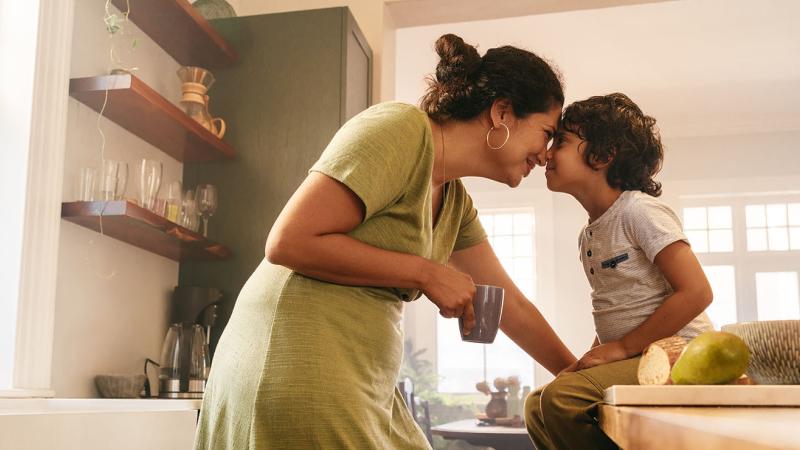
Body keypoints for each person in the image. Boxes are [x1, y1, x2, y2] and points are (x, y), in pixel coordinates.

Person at [194, 33, 576, 449]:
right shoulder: (401, 130)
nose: (546, 155)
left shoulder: (454, 201)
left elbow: (510, 303)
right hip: (295, 358)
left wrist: (578, 376)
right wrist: (428, 273)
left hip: (362, 376)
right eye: (546, 133)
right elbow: (288, 241)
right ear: (502, 111)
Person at [524, 93, 714, 449]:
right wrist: (592, 358)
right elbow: (616, 309)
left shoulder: (639, 212)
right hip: (638, 354)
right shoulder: (589, 236)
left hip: (680, 354)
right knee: (537, 404)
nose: (546, 153)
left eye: (561, 141)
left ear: (603, 155)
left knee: (562, 398)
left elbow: (697, 292)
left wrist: (622, 347)